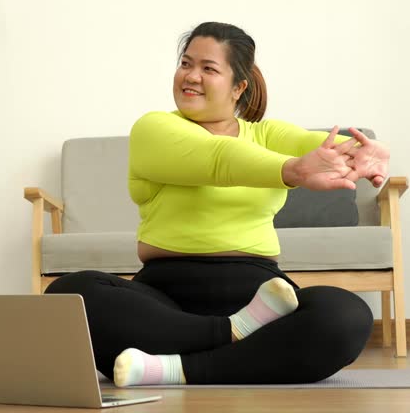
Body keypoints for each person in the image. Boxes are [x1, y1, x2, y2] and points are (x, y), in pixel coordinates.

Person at [45, 21, 388, 386]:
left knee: (346, 316)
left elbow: (322, 146)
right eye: (186, 63)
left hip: (260, 295)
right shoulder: (154, 129)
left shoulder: (268, 134)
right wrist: (292, 170)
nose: (191, 76)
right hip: (164, 297)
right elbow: (217, 158)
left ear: (239, 87)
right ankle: (232, 334)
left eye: (208, 68)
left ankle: (173, 369)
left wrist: (361, 153)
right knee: (68, 295)